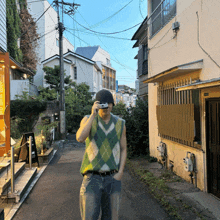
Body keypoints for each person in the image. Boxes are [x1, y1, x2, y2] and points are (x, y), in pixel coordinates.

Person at [76, 89, 127, 220]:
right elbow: (80, 138)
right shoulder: (87, 119)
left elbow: (123, 149)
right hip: (92, 178)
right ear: (97, 104)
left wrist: (120, 172)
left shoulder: (120, 123)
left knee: (110, 218)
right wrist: (93, 115)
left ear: (113, 104)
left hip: (112, 178)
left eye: (109, 103)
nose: (106, 106)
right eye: (103, 103)